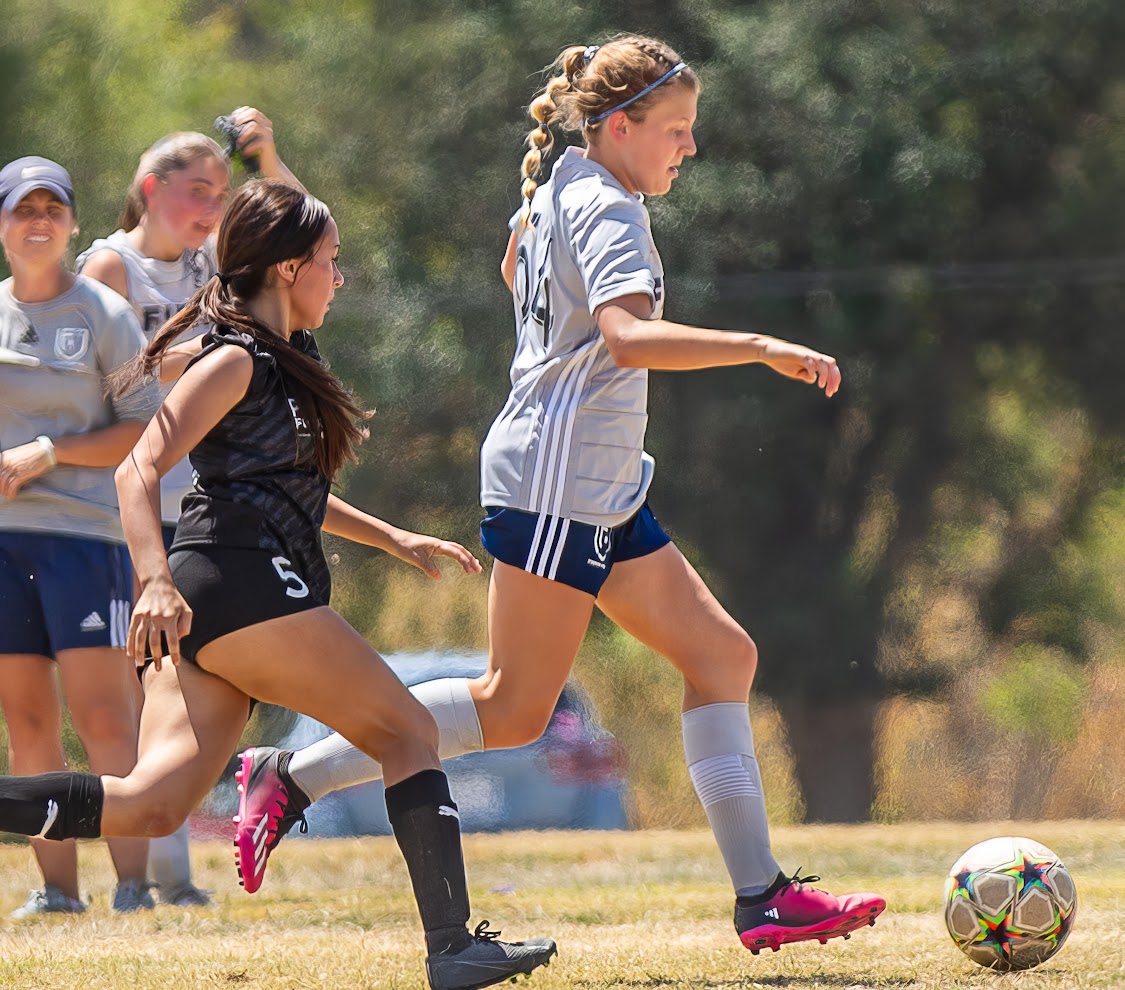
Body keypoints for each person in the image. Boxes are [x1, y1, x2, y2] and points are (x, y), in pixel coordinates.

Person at [232, 35, 887, 956]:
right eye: (676, 130)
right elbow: (625, 336)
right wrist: (760, 345)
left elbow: (516, 271)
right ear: (620, 126)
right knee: (512, 710)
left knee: (722, 657)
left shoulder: (559, 190)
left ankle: (761, 897)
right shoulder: (606, 206)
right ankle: (290, 775)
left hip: (602, 485)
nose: (687, 149)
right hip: (555, 489)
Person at [0, 178, 557, 990]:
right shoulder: (234, 359)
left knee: (151, 804)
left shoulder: (289, 359)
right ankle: (453, 948)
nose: (341, 276)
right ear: (290, 269)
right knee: (405, 732)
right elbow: (139, 466)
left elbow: (288, 485)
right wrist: (152, 580)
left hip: (224, 591)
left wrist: (390, 535)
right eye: (333, 262)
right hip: (237, 580)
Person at [77, 109, 301, 908]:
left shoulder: (212, 264)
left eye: (221, 190)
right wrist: (182, 358)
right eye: (196, 190)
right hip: (130, 513)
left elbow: (303, 241)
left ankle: (169, 877)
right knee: (137, 698)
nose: (212, 205)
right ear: (150, 190)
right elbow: (98, 390)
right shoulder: (111, 269)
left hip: (206, 510)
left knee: (181, 702)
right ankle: (148, 876)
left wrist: (266, 156)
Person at [0, 156, 162, 916]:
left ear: (69, 221)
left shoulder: (103, 314)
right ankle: (57, 892)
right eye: (20, 209)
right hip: (5, 544)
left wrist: (52, 452)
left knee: (104, 716)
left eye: (50, 208)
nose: (37, 222)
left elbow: (141, 429)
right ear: (2, 225)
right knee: (28, 720)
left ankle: (134, 884)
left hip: (87, 542)